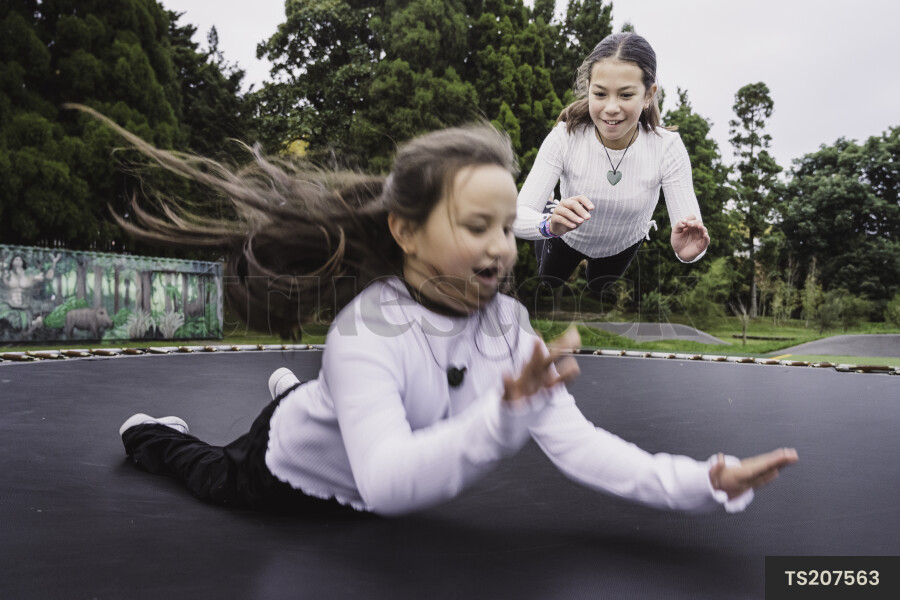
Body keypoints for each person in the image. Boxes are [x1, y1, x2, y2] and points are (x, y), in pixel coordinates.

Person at [87, 105, 796, 517]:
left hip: (354, 412)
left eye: (506, 225)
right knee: (205, 470)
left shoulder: (508, 329)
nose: (500, 250)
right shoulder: (364, 332)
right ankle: (149, 431)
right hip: (290, 470)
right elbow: (388, 483)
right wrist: (501, 418)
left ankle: (299, 391)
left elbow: (579, 445)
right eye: (472, 226)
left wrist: (702, 481)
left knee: (335, 394)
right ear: (406, 231)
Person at [514, 32, 710, 297]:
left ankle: (595, 277)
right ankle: (551, 205)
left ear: (649, 95)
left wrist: (687, 255)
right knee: (550, 280)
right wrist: (549, 225)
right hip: (566, 237)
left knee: (599, 286)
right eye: (600, 94)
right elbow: (516, 216)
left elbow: (690, 233)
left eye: (626, 95)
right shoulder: (565, 136)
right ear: (589, 89)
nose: (611, 108)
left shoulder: (667, 148)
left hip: (622, 244)